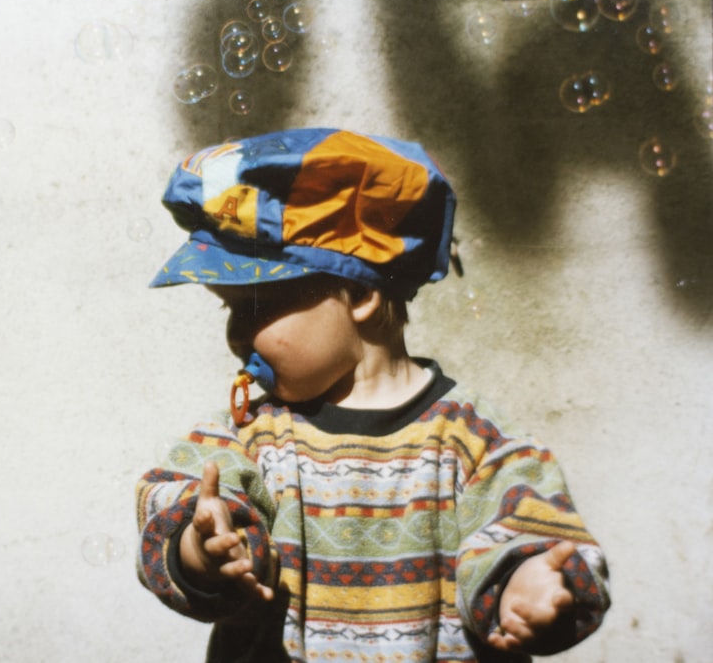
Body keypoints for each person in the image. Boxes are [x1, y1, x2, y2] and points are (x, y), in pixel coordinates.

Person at [135, 127, 610, 662]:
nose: (237, 334)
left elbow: (533, 528)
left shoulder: (474, 440)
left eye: (256, 305)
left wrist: (525, 582)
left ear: (359, 293)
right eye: (228, 308)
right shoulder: (250, 437)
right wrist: (198, 548)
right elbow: (177, 496)